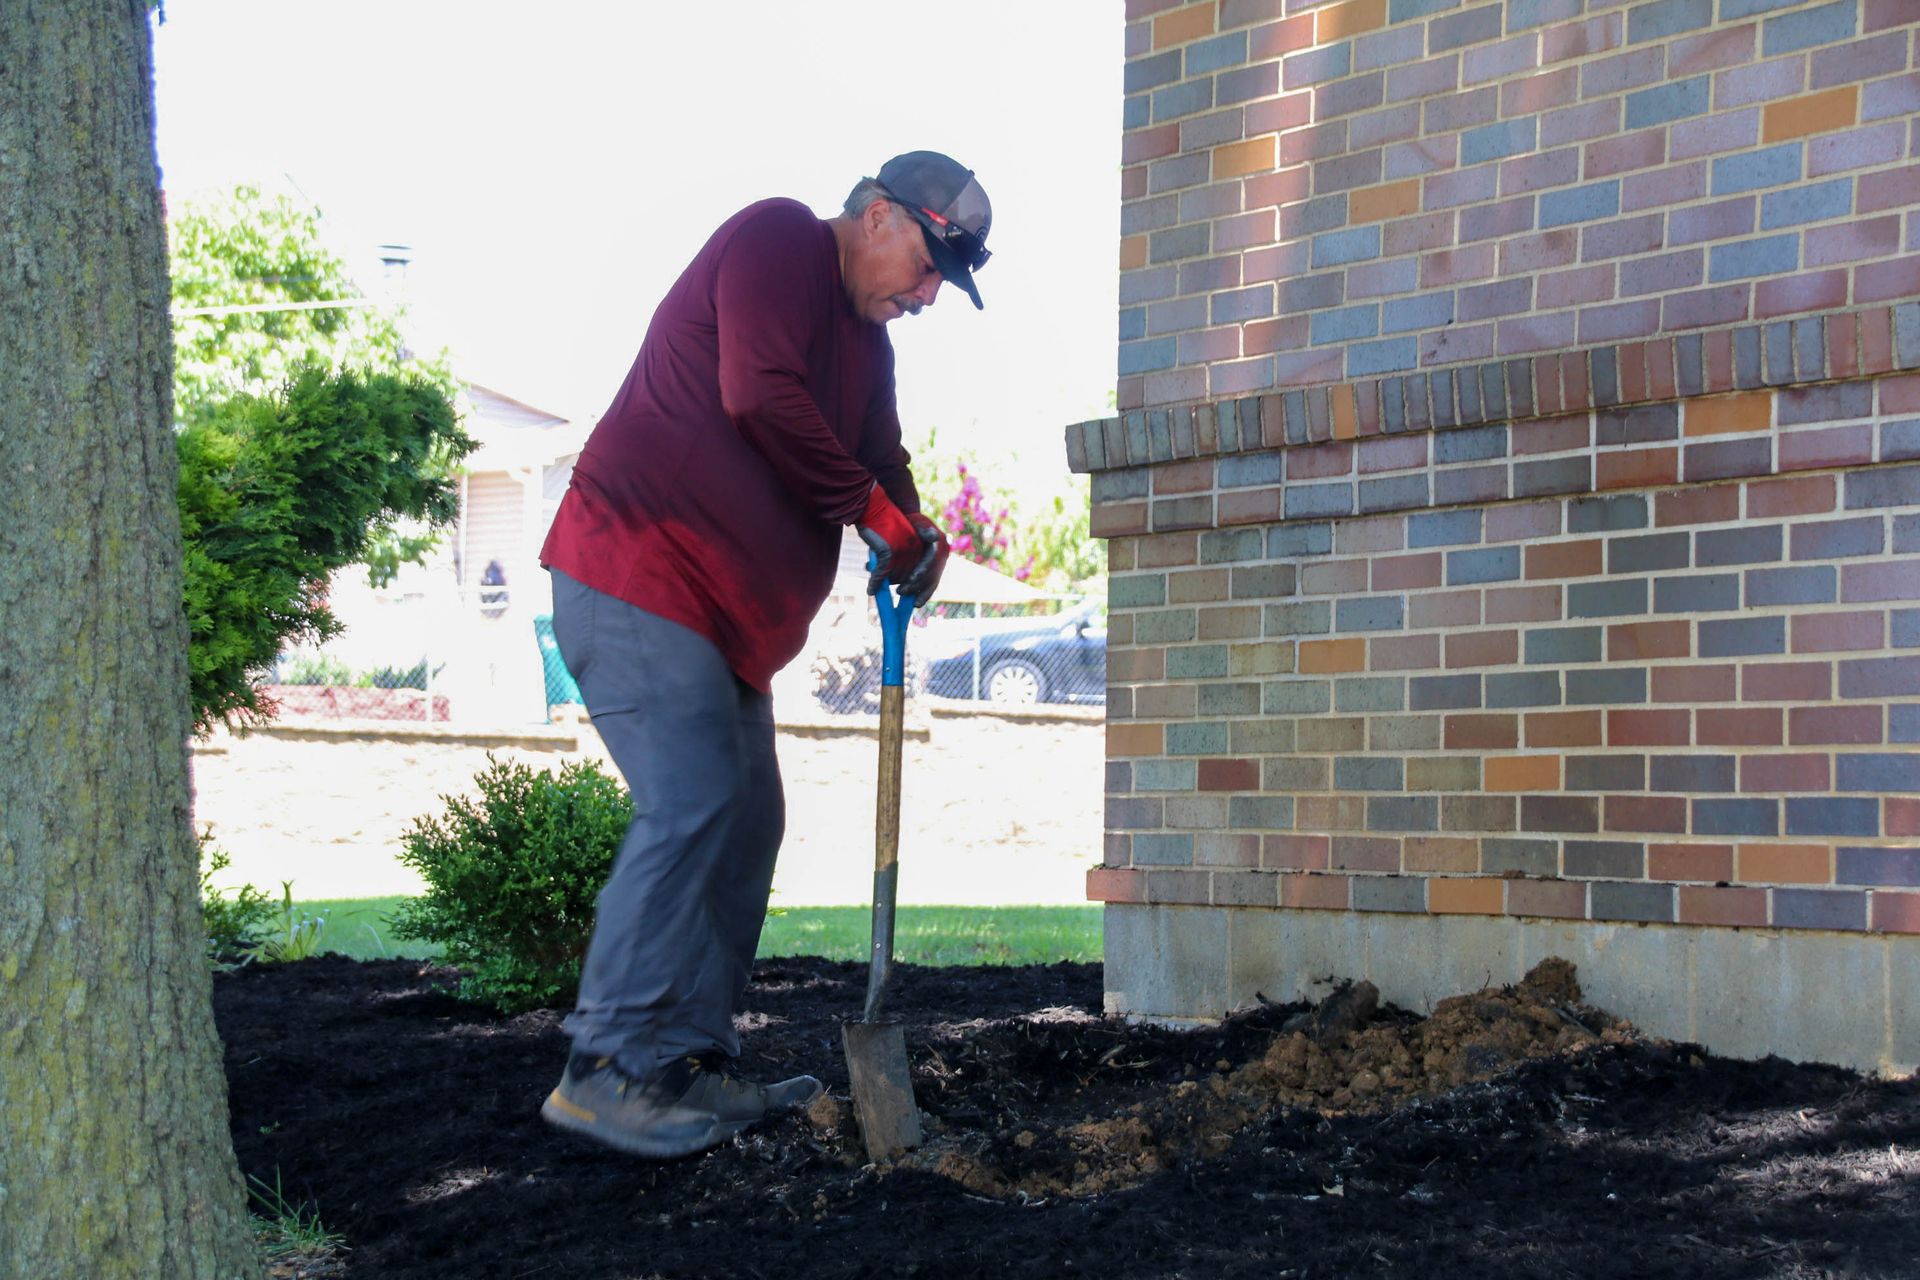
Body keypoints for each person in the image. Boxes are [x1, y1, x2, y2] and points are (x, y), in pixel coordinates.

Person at [536, 151, 991, 1158]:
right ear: (877, 215)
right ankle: (603, 1066)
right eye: (925, 267)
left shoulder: (869, 350)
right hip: (635, 573)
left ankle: (688, 1062)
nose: (925, 295)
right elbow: (758, 395)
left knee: (749, 820)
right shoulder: (778, 239)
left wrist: (912, 530)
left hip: (717, 627)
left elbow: (879, 458)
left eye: (941, 287)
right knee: (694, 796)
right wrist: (873, 516)